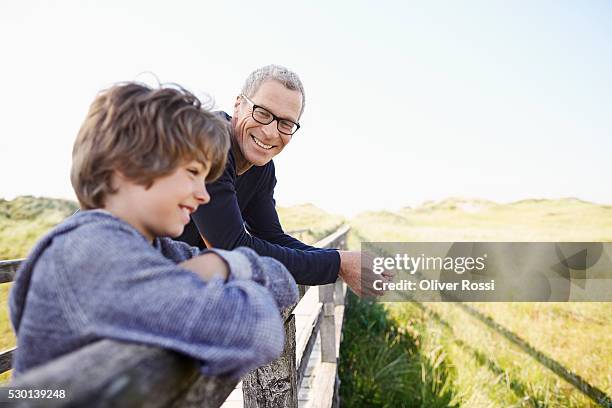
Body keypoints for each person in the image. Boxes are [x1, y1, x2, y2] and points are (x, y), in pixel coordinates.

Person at [9, 82, 298, 379]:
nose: (204, 195)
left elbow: (283, 282)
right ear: (127, 165)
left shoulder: (154, 248)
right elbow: (260, 333)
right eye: (192, 173)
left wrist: (220, 262)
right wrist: (217, 268)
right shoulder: (90, 253)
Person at [178, 65, 383, 296]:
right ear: (238, 105)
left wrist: (340, 260)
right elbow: (231, 246)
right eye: (262, 113)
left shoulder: (262, 169)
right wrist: (336, 263)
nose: (270, 132)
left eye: (285, 123)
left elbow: (271, 236)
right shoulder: (210, 143)